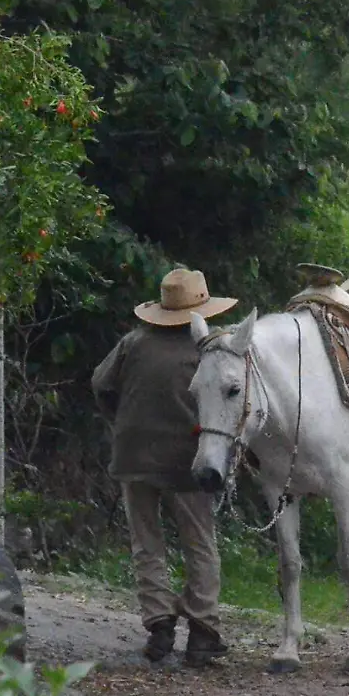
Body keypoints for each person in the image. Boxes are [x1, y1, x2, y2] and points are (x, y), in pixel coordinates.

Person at [92, 268, 238, 666]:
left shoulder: (133, 342)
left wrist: (119, 421)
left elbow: (100, 384)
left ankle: (159, 625)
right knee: (199, 541)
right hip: (188, 458)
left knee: (146, 542)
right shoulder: (211, 348)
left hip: (132, 454)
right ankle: (203, 630)